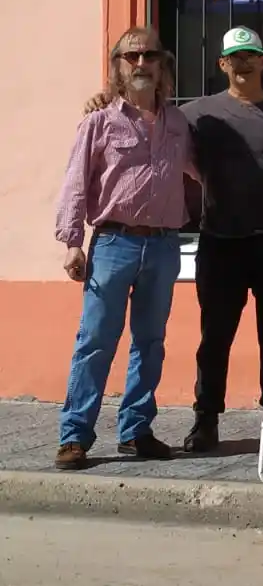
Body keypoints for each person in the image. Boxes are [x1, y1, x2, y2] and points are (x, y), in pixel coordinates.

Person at [85, 26, 263, 453]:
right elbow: (142, 111)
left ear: (262, 61)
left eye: (250, 55)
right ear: (222, 64)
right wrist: (103, 99)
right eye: (234, 56)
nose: (242, 62)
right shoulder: (195, 115)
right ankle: (206, 420)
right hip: (220, 241)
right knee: (216, 336)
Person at [56, 27, 197, 469]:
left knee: (151, 342)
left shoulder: (178, 123)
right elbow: (76, 183)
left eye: (149, 55)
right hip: (113, 243)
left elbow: (200, 172)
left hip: (163, 246)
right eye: (130, 56)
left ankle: (136, 431)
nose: (140, 63)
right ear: (118, 66)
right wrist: (72, 243)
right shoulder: (98, 121)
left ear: (163, 65)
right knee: (95, 340)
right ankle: (74, 436)